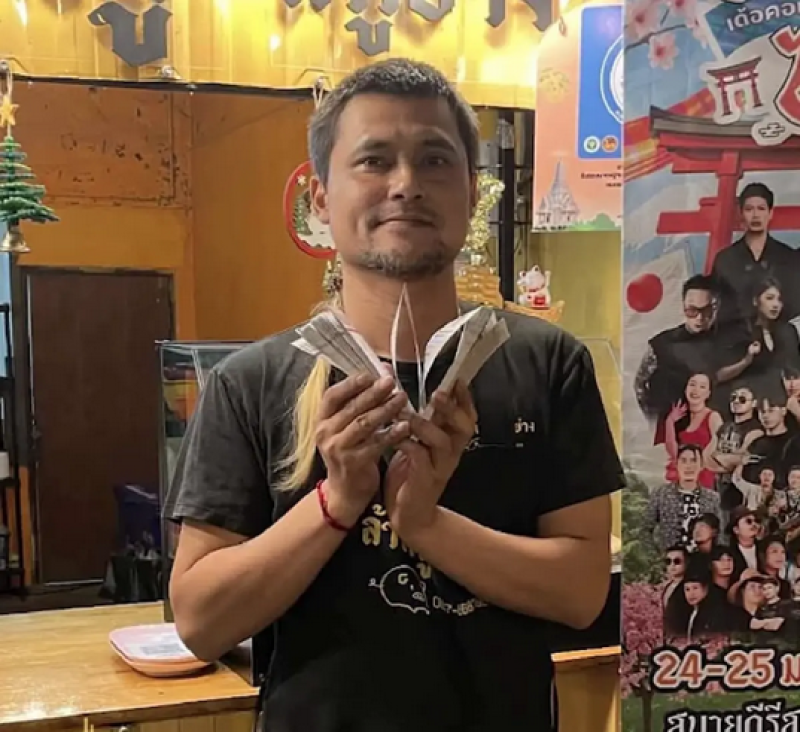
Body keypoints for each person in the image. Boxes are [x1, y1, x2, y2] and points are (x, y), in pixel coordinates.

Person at [164, 59, 622, 732]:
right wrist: (336, 501)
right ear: (321, 199)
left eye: (435, 160)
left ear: (472, 192)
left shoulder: (549, 364)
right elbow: (200, 622)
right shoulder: (251, 382)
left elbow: (582, 591)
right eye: (373, 160)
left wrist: (426, 523)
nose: (406, 184)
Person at [711, 182, 800, 325]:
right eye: (749, 209)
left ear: (770, 213)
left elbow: (794, 306)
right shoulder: (725, 259)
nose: (755, 215)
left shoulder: (788, 256)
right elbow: (719, 306)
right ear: (741, 213)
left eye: (761, 208)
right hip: (736, 334)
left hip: (777, 334)